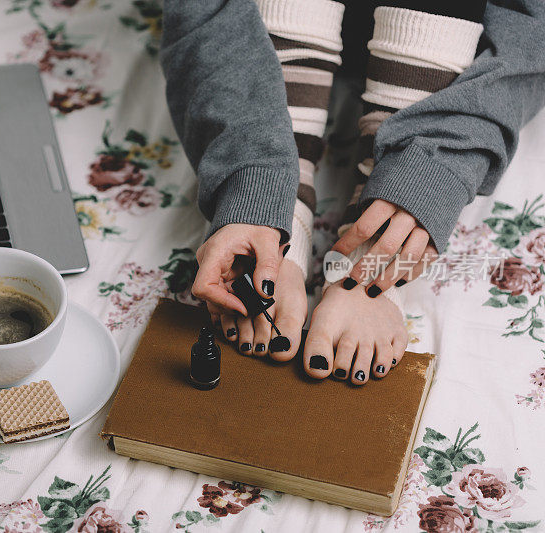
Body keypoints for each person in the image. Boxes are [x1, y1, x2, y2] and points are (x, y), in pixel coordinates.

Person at [160, 0, 545, 384]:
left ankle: (370, 247)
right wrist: (252, 176)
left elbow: (530, 35)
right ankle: (284, 208)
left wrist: (434, 169)